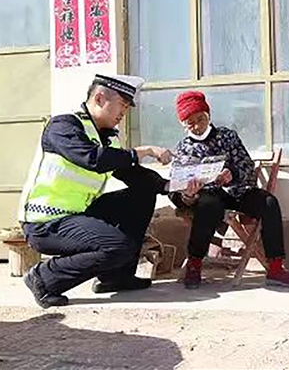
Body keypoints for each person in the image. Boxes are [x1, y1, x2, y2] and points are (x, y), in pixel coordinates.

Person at [19, 74, 176, 308]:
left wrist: (172, 187)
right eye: (122, 105)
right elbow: (92, 159)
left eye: (127, 107)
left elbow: (132, 174)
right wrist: (143, 152)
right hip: (46, 222)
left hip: (77, 215)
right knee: (118, 247)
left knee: (142, 194)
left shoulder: (107, 138)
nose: (123, 113)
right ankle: (44, 278)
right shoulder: (63, 126)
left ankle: (116, 277)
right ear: (100, 98)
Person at [171, 90, 289, 289]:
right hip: (209, 195)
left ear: (208, 115)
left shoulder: (227, 136)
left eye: (201, 119)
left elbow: (246, 165)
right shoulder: (184, 148)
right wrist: (188, 192)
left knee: (268, 202)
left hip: (237, 191)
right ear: (183, 125)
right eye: (191, 123)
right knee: (208, 205)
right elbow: (177, 183)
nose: (197, 126)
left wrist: (232, 173)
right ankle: (195, 264)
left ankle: (275, 268)